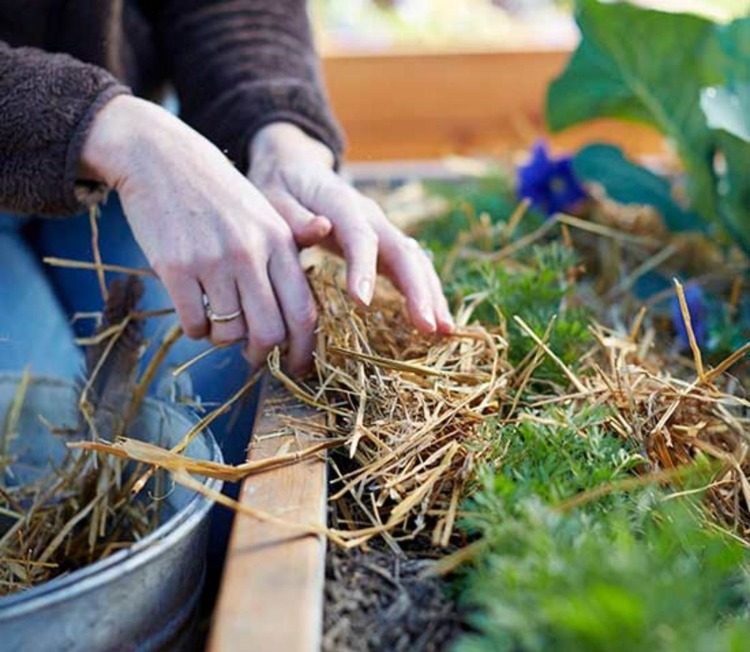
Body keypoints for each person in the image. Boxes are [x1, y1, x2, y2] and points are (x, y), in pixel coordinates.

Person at [0, 1, 454, 465]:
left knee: (220, 420)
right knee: (35, 459)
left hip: (127, 139)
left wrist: (278, 134)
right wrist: (113, 130)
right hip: (111, 129)